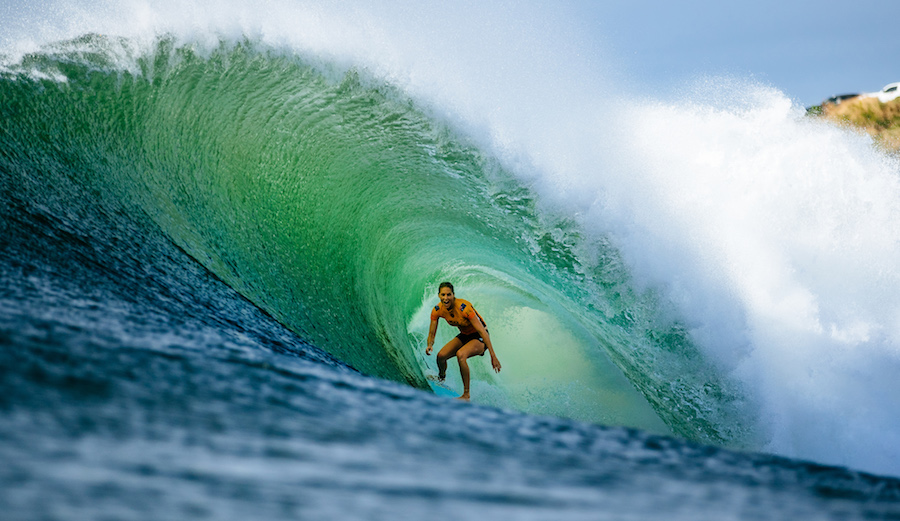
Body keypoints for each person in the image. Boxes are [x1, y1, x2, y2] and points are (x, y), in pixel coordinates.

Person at [426, 282, 501, 400]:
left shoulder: (464, 308)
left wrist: (493, 356)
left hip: (480, 337)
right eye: (443, 295)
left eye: (448, 295)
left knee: (461, 354)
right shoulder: (437, 310)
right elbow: (432, 332)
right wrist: (430, 345)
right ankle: (441, 378)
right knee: (441, 356)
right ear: (439, 295)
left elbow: (482, 331)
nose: (446, 298)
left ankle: (466, 395)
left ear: (453, 295)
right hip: (465, 335)